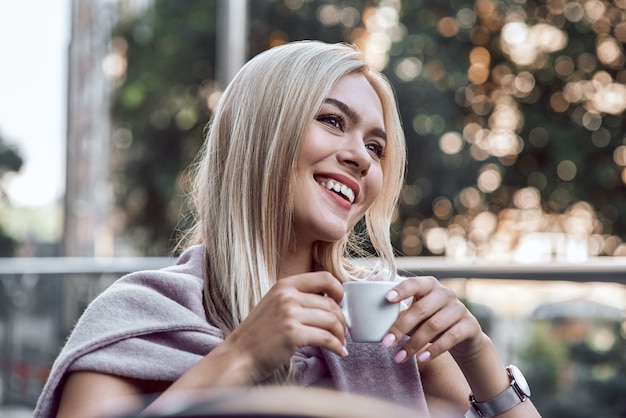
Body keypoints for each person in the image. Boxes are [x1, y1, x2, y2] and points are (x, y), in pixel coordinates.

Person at [34, 40, 541, 418]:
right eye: (333, 121)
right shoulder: (143, 316)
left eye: (376, 147)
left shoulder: (393, 336)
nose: (361, 158)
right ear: (262, 134)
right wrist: (241, 357)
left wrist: (480, 358)